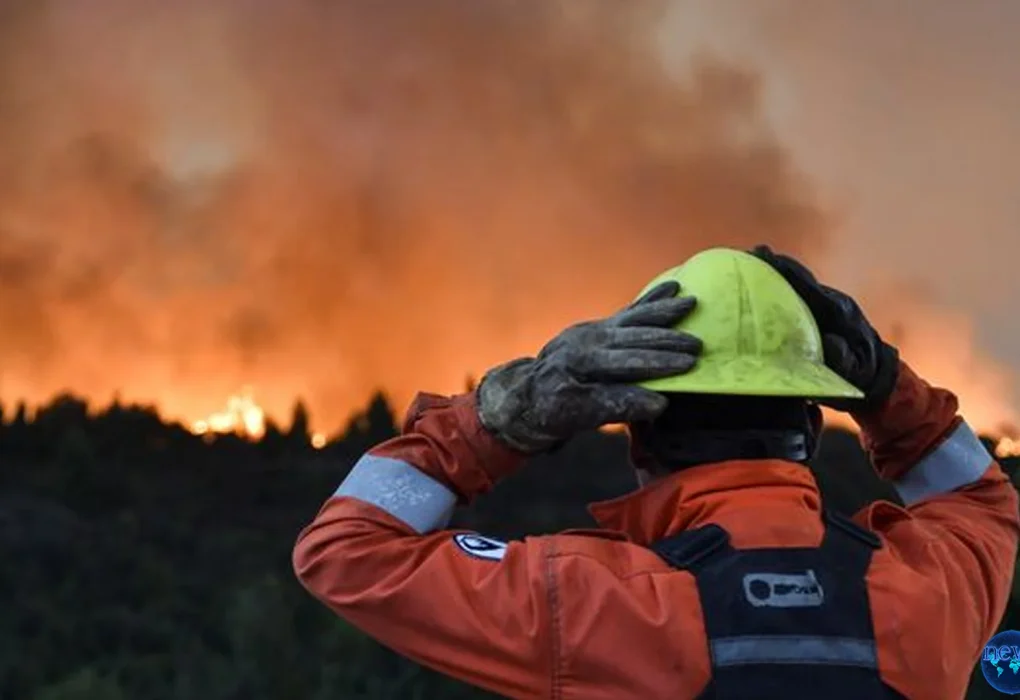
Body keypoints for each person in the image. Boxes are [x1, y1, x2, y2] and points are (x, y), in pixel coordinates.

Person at [292, 246, 1019, 699]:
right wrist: (891, 388)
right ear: (808, 424)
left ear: (639, 436)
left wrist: (504, 416)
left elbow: (346, 551)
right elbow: (982, 501)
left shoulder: (593, 606)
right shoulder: (931, 595)